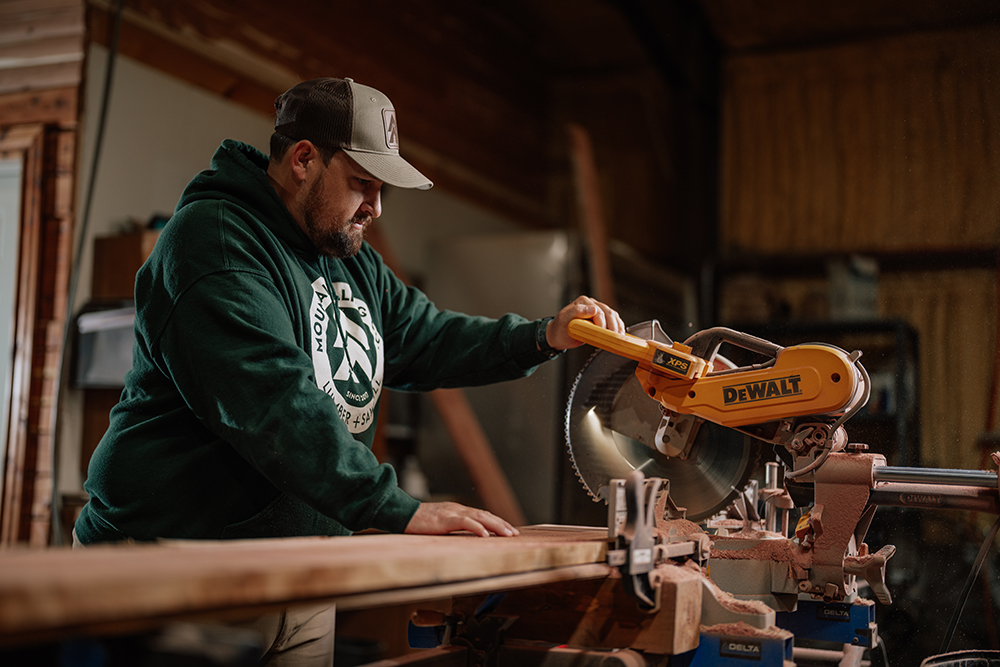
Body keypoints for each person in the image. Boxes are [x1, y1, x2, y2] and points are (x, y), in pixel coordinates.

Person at [75, 76, 623, 547]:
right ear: (304, 159)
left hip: (299, 557)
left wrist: (544, 336)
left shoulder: (344, 257)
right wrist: (395, 507)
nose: (376, 208)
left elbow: (429, 337)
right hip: (171, 555)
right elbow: (275, 403)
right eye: (363, 184)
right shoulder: (217, 245)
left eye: (381, 189)